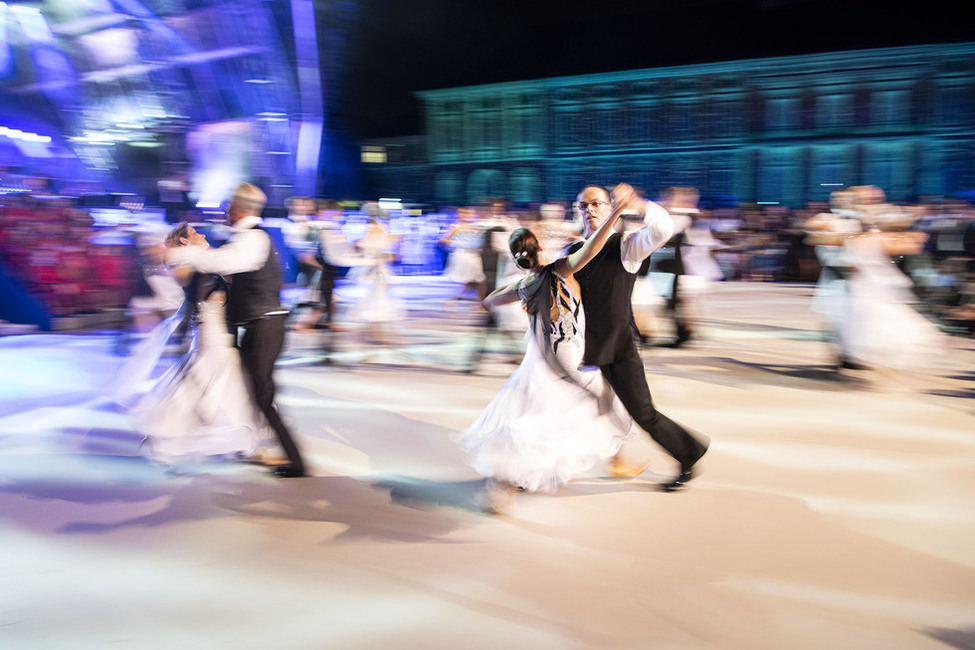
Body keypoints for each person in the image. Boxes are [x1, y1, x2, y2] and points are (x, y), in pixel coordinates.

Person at [456, 185, 636, 511]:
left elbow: (489, 300)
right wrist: (616, 212)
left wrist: (511, 295)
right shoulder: (560, 269)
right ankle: (612, 461)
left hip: (537, 360)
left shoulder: (525, 284)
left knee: (544, 413)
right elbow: (592, 249)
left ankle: (508, 483)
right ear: (539, 247)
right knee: (598, 404)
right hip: (567, 354)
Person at [569, 184, 709, 490]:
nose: (590, 210)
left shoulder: (626, 245)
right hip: (580, 348)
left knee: (643, 413)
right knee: (561, 405)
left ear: (610, 209)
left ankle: (688, 454)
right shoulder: (572, 252)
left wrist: (639, 204)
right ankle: (529, 471)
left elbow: (663, 229)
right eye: (583, 206)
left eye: (596, 204)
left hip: (619, 347)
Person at [166, 183, 305, 478]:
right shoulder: (245, 238)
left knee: (258, 394)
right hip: (247, 328)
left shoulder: (252, 238)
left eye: (229, 207)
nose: (226, 213)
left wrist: (186, 253)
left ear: (238, 209)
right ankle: (253, 446)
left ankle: (293, 460)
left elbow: (224, 261)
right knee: (243, 390)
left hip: (264, 324)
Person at [120, 224, 276, 467]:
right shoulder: (190, 267)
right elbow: (188, 284)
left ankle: (237, 444)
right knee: (218, 388)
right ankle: (239, 446)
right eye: (195, 234)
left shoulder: (202, 262)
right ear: (184, 242)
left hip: (217, 334)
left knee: (213, 387)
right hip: (213, 336)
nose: (203, 235)